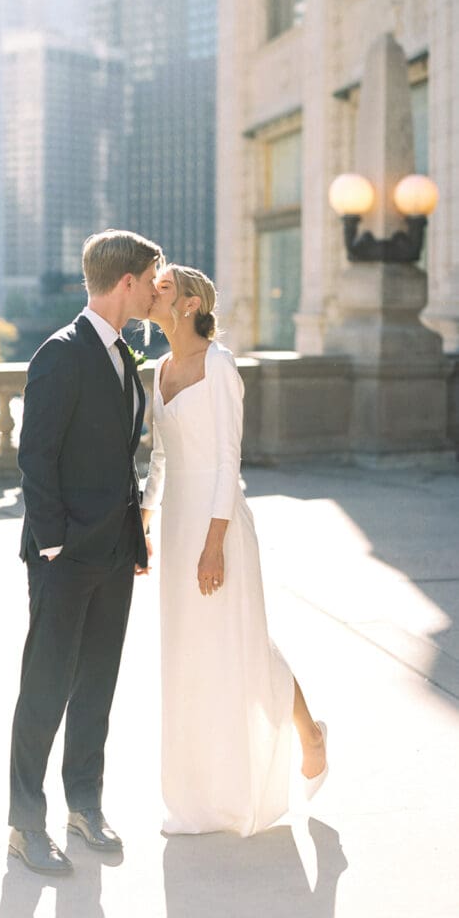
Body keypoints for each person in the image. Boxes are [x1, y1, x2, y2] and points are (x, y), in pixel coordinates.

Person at [140, 264, 328, 837]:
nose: (152, 293)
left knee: (240, 641)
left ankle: (309, 734)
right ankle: (199, 791)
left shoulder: (219, 365)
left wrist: (214, 543)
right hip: (178, 524)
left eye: (164, 287)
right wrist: (144, 518)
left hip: (218, 523)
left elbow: (228, 458)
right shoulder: (159, 368)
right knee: (190, 652)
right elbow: (161, 456)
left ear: (190, 304)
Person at [8, 229, 164, 875]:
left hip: (115, 551)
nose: (156, 291)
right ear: (125, 281)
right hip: (64, 556)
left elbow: (120, 459)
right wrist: (53, 543)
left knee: (97, 684)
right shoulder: (60, 352)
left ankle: (84, 806)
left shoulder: (123, 353)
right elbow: (35, 456)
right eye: (151, 280)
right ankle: (25, 826)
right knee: (45, 688)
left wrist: (134, 535)